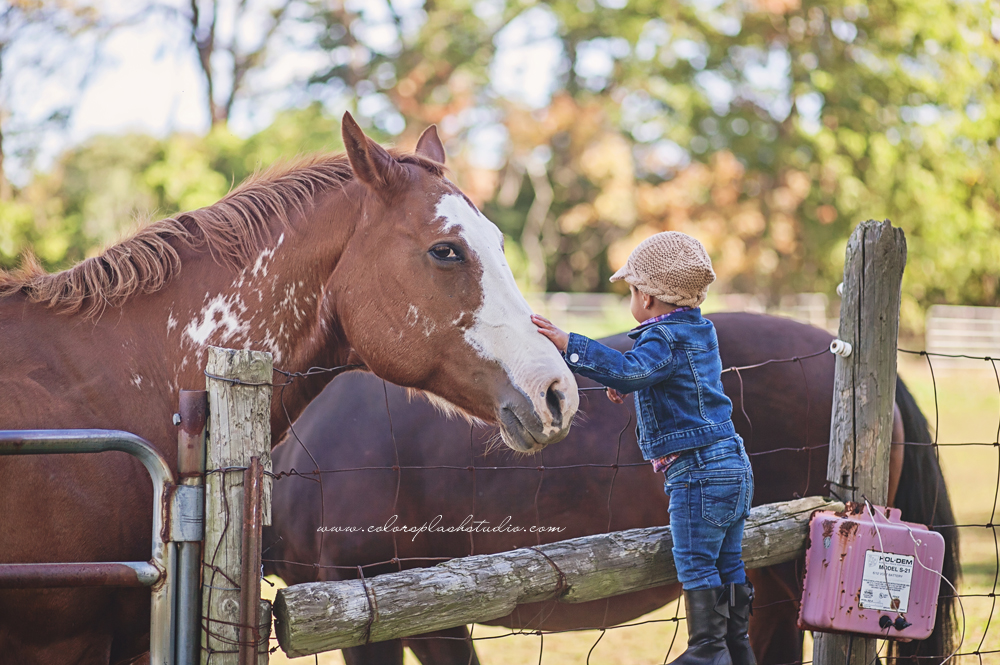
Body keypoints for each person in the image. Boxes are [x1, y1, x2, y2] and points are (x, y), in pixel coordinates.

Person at [531, 231, 755, 665]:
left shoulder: (662, 339)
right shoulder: (699, 329)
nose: (631, 300)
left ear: (648, 298)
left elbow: (636, 370)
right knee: (728, 564)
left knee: (695, 563)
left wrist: (569, 344)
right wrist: (635, 386)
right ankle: (736, 646)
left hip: (697, 472)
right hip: (733, 464)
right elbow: (676, 382)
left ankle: (707, 651)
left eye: (632, 291)